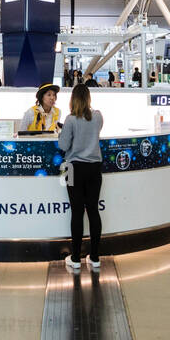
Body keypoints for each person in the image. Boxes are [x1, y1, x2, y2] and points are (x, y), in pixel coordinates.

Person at [59, 83, 104, 273]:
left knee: (76, 212)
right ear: (89, 98)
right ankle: (94, 257)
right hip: (95, 168)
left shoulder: (70, 120)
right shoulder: (98, 116)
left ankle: (75, 258)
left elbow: (63, 145)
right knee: (93, 210)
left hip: (73, 168)